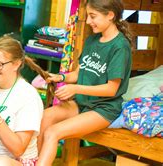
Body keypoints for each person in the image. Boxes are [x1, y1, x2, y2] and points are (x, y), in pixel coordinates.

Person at [37, 0, 132, 165]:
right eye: (88, 16)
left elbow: (111, 89)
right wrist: (62, 77)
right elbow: (78, 73)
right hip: (83, 103)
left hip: (104, 109)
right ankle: (33, 162)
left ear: (110, 15)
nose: (88, 21)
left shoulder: (120, 47)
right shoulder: (92, 41)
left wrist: (76, 88)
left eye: (92, 16)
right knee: (45, 117)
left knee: (53, 132)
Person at [0, 35, 49, 166]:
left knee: (0, 163)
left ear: (16, 64)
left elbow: (18, 149)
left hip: (14, 161)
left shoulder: (28, 96)